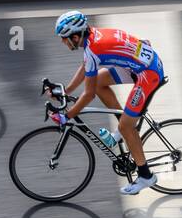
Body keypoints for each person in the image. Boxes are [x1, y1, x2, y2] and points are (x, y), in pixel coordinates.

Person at [52, 11, 165, 195]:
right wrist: (67, 90)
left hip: (148, 74)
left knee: (127, 127)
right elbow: (86, 67)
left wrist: (66, 116)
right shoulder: (93, 37)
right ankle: (124, 124)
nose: (63, 42)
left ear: (74, 36)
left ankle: (146, 176)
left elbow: (88, 95)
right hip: (139, 64)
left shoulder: (93, 51)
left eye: (64, 39)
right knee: (99, 83)